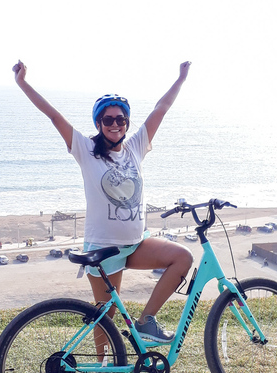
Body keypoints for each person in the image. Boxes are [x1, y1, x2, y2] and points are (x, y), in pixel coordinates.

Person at [12, 60, 194, 352]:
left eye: (120, 119)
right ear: (98, 123)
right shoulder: (85, 150)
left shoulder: (135, 147)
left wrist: (181, 78)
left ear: (126, 123)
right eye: (107, 120)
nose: (114, 124)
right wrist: (22, 83)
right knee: (105, 317)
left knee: (182, 258)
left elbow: (161, 108)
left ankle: (147, 320)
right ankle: (102, 370)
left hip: (136, 244)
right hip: (104, 249)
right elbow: (53, 115)